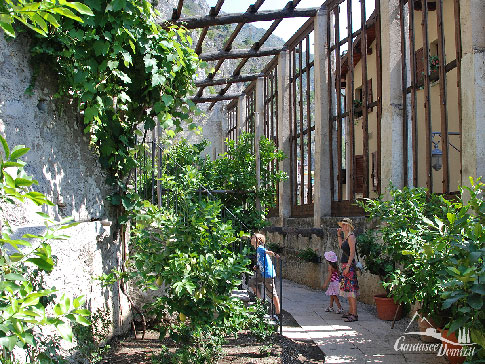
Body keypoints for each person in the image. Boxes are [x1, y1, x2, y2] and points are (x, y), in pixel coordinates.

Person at [248, 233, 281, 316]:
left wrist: (274, 254)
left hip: (267, 274)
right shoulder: (257, 249)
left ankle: (278, 313)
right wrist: (257, 266)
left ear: (258, 240)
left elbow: (268, 252)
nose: (251, 238)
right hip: (262, 273)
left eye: (253, 237)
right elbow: (262, 260)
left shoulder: (260, 248)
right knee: (252, 282)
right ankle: (260, 301)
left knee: (272, 293)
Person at [337, 217, 359, 322]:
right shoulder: (346, 237)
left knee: (351, 290)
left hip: (348, 266)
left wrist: (348, 266)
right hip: (345, 265)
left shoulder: (351, 237)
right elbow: (341, 246)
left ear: (349, 226)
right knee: (347, 289)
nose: (343, 226)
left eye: (345, 225)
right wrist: (338, 236)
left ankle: (354, 314)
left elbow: (352, 253)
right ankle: (351, 311)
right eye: (342, 225)